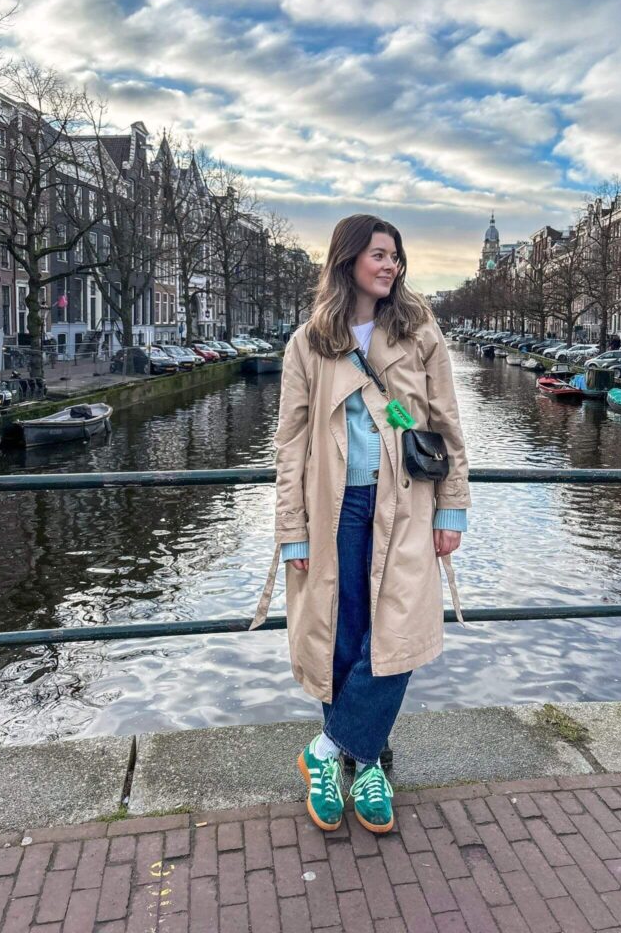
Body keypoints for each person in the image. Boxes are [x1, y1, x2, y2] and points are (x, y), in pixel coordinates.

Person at [250, 214, 471, 835]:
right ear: (347, 259)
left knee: (396, 632)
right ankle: (364, 764)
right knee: (341, 633)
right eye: (379, 254)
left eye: (396, 256)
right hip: (335, 508)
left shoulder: (419, 330)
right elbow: (290, 443)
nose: (390, 265)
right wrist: (291, 529)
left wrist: (450, 508)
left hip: (405, 506)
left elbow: (446, 422)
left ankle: (329, 753)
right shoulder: (308, 343)